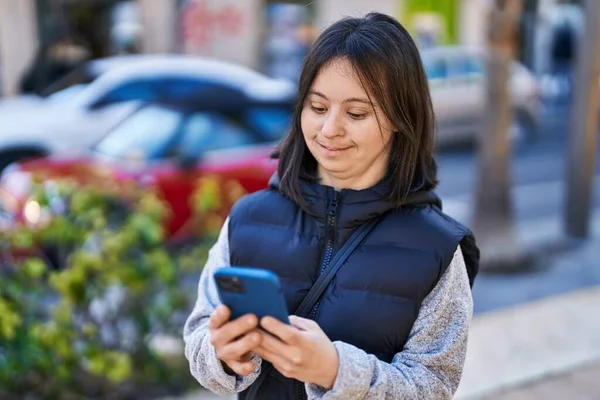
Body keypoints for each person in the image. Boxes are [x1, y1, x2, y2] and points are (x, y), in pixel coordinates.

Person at [184, 12, 479, 400]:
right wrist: (222, 355)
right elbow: (200, 336)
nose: (329, 130)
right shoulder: (248, 217)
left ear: (400, 119)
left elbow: (434, 385)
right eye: (318, 107)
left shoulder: (438, 247)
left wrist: (336, 371)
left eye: (356, 113)